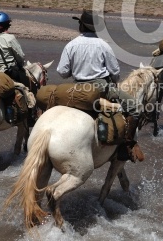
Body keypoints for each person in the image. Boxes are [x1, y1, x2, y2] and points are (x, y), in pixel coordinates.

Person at [57, 9, 144, 163]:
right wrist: (113, 83)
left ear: (81, 26)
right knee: (136, 107)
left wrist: (76, 70)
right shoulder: (104, 45)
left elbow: (62, 72)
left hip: (77, 88)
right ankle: (128, 145)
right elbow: (115, 72)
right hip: (101, 87)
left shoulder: (71, 45)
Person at [0, 11, 28, 84]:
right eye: (8, 25)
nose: (8, 27)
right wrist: (20, 66)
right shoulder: (10, 38)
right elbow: (20, 56)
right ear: (3, 26)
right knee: (26, 87)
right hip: (6, 72)